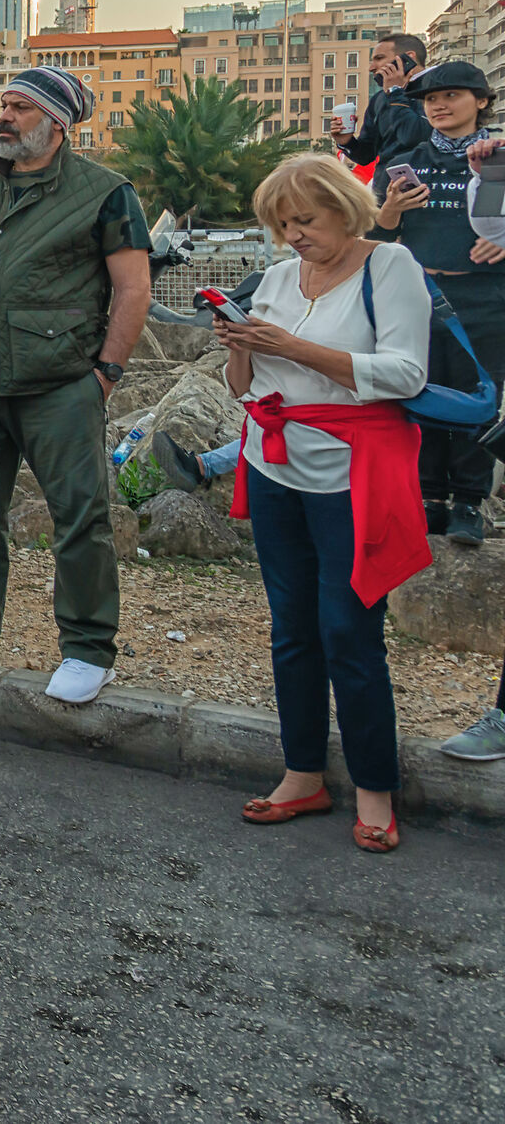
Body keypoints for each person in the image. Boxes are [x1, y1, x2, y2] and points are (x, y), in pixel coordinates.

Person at [0, 67, 152, 706]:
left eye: (20, 107)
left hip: (60, 380)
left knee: (79, 515)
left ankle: (87, 648)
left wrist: (106, 373)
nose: (5, 116)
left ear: (57, 123)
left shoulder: (107, 192)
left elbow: (132, 287)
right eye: (4, 104)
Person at [220, 154, 431, 853]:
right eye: (282, 224)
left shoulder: (390, 267)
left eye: (304, 220)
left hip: (352, 474)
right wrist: (241, 346)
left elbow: (404, 373)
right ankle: (302, 772)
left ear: (346, 208)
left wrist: (292, 347)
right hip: (275, 462)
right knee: (292, 630)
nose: (293, 236)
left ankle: (375, 789)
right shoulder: (280, 277)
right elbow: (244, 387)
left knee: (349, 631)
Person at [368, 59, 503, 546]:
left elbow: (496, 225)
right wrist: (388, 213)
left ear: (481, 101)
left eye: (451, 96)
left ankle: (468, 502)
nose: (439, 106)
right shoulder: (409, 160)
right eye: (430, 100)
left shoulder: (497, 159)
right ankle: (427, 498)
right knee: (418, 393)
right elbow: (373, 236)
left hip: (485, 297)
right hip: (420, 296)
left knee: (479, 399)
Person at [332, 32, 434, 174]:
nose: (371, 67)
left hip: (431, 185)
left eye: (379, 58)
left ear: (408, 58)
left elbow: (413, 136)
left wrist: (395, 91)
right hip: (386, 189)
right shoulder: (379, 99)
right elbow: (366, 156)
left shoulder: (440, 90)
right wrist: (346, 142)